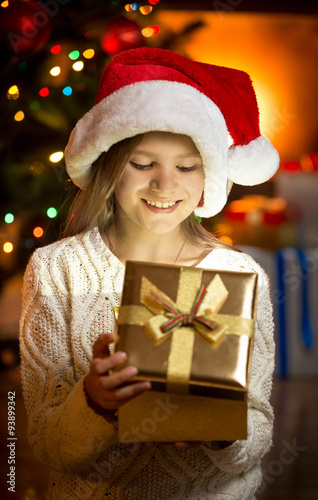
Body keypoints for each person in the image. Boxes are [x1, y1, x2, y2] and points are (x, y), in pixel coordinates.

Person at [19, 47, 279, 499]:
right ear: (110, 165)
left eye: (186, 166)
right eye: (142, 164)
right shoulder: (57, 270)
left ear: (207, 178)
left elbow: (257, 432)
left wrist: (221, 428)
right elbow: (46, 442)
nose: (164, 184)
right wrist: (94, 402)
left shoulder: (239, 273)